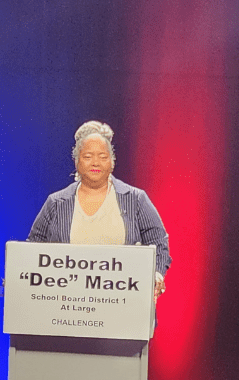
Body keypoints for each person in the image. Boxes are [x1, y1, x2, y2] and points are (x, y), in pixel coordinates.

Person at [28, 120, 171, 299]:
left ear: (112, 162)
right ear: (76, 160)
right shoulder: (56, 203)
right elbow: (34, 247)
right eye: (88, 156)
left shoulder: (135, 199)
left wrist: (156, 274)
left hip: (123, 307)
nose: (95, 162)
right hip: (67, 306)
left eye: (103, 157)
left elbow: (158, 241)